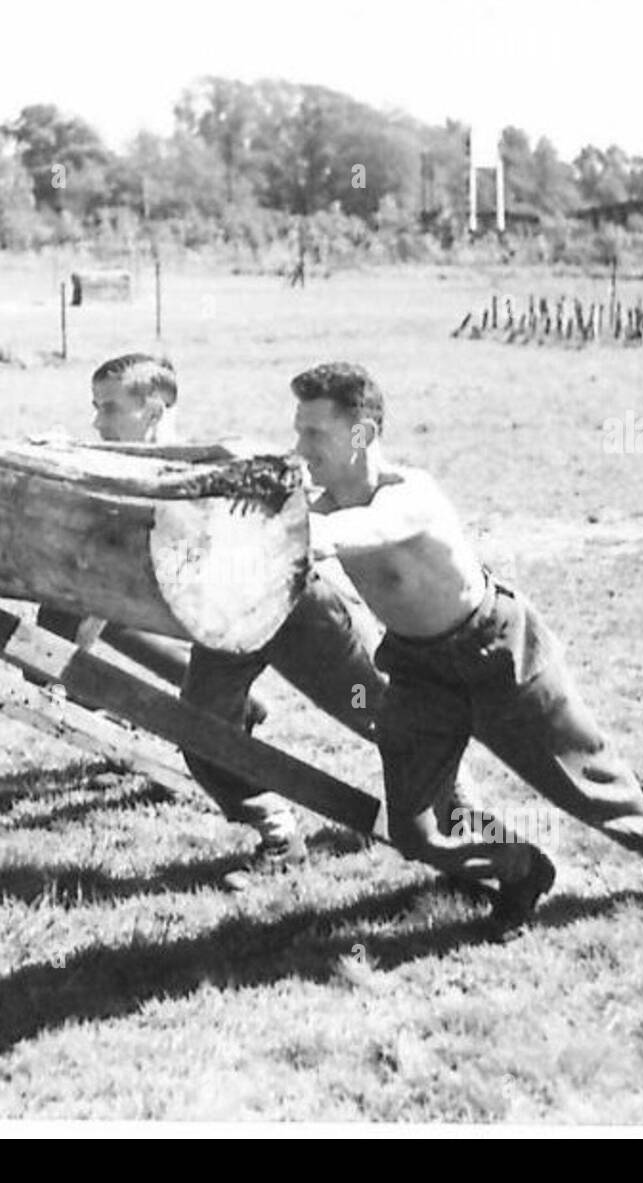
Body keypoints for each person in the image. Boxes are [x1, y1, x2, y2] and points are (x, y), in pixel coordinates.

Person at [291, 361, 643, 937]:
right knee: (416, 831)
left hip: (495, 649)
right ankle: (521, 868)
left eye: (313, 433)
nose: (299, 446)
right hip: (417, 672)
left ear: (363, 434)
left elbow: (349, 534)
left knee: (589, 781)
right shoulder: (321, 505)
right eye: (298, 430)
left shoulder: (410, 496)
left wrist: (288, 520)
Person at [42, 353, 484, 886]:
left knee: (378, 712)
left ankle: (468, 824)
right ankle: (277, 831)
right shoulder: (119, 474)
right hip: (226, 623)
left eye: (109, 408)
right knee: (201, 734)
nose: (98, 422)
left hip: (297, 612)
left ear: (153, 408)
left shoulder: (217, 460)